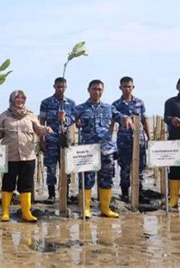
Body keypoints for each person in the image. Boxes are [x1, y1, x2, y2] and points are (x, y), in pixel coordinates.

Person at [0, 90, 53, 222]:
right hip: (10, 156)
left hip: (28, 155)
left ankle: (26, 212)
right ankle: (5, 212)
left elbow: (38, 129)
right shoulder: (4, 116)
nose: (20, 101)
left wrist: (46, 130)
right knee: (8, 184)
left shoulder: (30, 115)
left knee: (26, 184)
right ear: (12, 100)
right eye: (17, 98)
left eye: (22, 98)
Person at [73, 80, 133, 218]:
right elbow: (67, 121)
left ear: (103, 91)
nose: (97, 92)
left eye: (99, 89)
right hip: (88, 151)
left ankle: (105, 208)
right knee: (86, 179)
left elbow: (119, 116)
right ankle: (85, 209)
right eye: (94, 89)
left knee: (107, 179)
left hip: (107, 149)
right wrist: (64, 119)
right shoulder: (80, 108)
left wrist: (126, 119)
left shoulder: (108, 107)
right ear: (88, 90)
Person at [112, 76, 150, 203]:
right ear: (120, 88)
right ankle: (124, 193)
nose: (127, 89)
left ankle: (139, 192)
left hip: (139, 139)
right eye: (124, 86)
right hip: (124, 140)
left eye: (129, 86)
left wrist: (148, 135)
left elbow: (144, 119)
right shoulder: (116, 105)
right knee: (124, 167)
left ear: (133, 87)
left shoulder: (139, 102)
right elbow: (112, 123)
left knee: (140, 167)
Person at [39, 77, 76, 203]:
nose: (60, 89)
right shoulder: (46, 102)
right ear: (54, 86)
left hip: (65, 140)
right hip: (51, 139)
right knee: (50, 168)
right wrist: (41, 139)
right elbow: (42, 122)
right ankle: (51, 195)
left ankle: (65, 194)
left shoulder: (71, 103)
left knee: (66, 168)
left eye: (63, 87)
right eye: (58, 86)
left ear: (66, 87)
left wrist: (64, 119)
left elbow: (74, 120)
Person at [164, 76, 180, 208]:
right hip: (176, 143)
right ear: (177, 87)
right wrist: (172, 119)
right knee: (175, 171)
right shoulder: (171, 102)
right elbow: (166, 117)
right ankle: (173, 200)